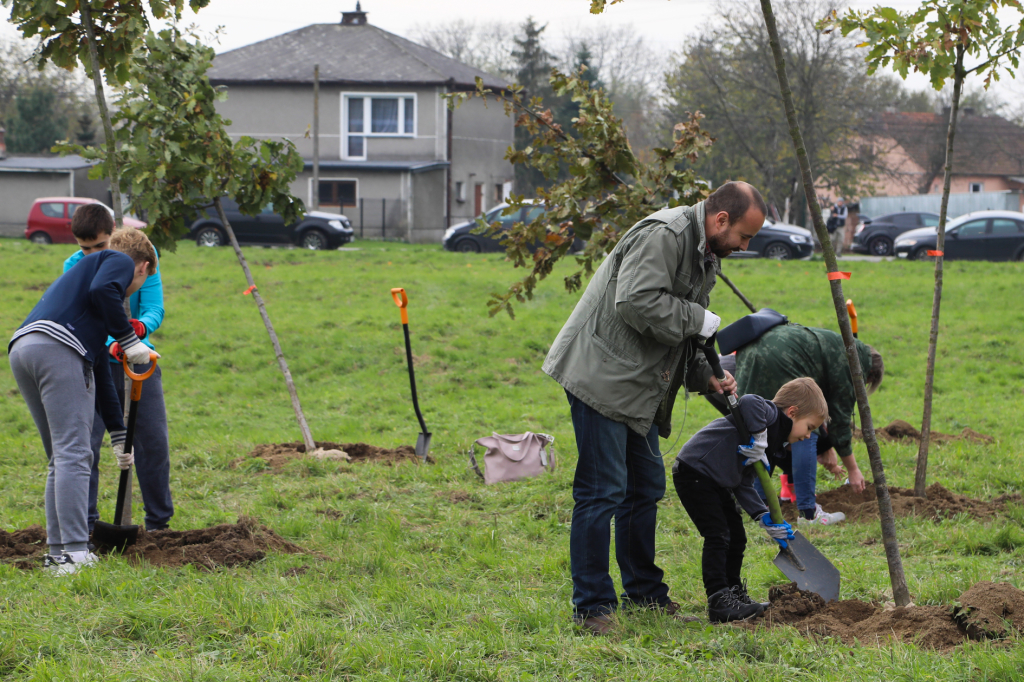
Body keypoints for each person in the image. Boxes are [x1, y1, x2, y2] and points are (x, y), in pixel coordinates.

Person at [542, 181, 767, 634]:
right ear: (721, 219)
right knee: (601, 491)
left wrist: (707, 376)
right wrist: (697, 318)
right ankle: (592, 608)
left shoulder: (704, 256)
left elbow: (677, 338)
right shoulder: (665, 234)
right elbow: (637, 302)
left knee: (644, 488)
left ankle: (644, 594)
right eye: (744, 236)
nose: (744, 247)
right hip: (600, 376)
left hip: (636, 385)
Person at [8, 214, 159, 575]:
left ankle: (58, 553)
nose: (129, 291)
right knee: (75, 454)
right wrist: (129, 339)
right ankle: (76, 552)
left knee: (60, 459)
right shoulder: (118, 260)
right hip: (57, 349)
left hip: (24, 349)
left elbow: (98, 372)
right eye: (138, 283)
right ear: (144, 267)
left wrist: (120, 438)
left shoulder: (85, 296)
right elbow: (104, 291)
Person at [673, 378, 826, 622]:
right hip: (696, 470)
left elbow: (744, 484)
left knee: (736, 536)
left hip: (719, 481)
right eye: (809, 427)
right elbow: (748, 401)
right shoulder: (770, 416)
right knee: (718, 534)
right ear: (792, 412)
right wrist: (760, 436)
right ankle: (718, 600)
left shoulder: (774, 446)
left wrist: (763, 516)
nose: (808, 436)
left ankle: (734, 594)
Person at [64, 208, 173, 532]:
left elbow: (154, 306)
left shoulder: (143, 258)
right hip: (93, 362)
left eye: (100, 247)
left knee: (154, 442)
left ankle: (158, 524)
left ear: (112, 233)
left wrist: (139, 328)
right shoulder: (74, 266)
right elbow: (87, 313)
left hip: (140, 360)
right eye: (86, 249)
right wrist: (114, 341)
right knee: (88, 444)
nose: (92, 256)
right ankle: (86, 526)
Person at [732, 323, 883, 525]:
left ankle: (759, 504)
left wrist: (828, 447)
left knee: (762, 426)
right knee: (805, 429)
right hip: (779, 359)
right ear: (870, 375)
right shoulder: (852, 364)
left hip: (750, 352)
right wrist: (853, 470)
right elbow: (839, 422)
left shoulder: (840, 345)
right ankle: (808, 513)